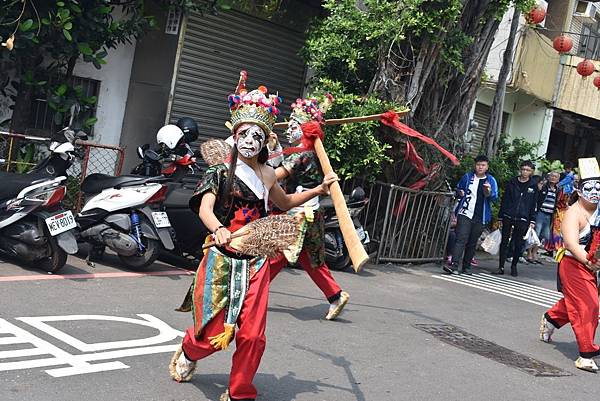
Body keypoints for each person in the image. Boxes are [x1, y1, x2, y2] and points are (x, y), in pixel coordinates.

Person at [168, 72, 338, 401]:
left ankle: (240, 393)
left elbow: (284, 203)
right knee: (212, 333)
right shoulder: (220, 171)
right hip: (222, 257)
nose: (249, 141)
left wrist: (319, 189)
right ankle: (190, 351)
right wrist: (217, 228)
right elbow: (205, 208)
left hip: (256, 261)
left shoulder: (267, 173)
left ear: (264, 141)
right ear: (236, 135)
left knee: (253, 335)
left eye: (256, 136)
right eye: (244, 135)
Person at [268, 94, 350, 321]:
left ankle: (250, 292)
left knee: (276, 254)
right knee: (309, 259)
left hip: (299, 214)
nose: (288, 129)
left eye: (293, 125)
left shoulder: (302, 155)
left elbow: (274, 176)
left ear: (304, 129)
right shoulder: (303, 153)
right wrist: (273, 148)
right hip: (307, 212)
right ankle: (335, 295)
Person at [540, 158, 600, 372]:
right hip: (574, 265)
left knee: (575, 302)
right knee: (589, 305)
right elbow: (572, 243)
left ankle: (551, 319)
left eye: (598, 186)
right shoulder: (573, 213)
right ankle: (586, 353)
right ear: (579, 189)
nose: (594, 191)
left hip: (595, 267)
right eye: (589, 187)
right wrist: (589, 261)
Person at [443, 155, 498, 275]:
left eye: (483, 165)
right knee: (461, 238)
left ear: (487, 166)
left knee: (472, 242)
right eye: (478, 165)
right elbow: (458, 189)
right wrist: (459, 192)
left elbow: (494, 197)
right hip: (465, 212)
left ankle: (466, 267)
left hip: (481, 215)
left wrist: (488, 191)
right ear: (475, 165)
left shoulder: (490, 180)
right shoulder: (467, 177)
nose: (480, 167)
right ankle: (454, 265)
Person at [493, 160, 538, 277]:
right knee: (504, 241)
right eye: (523, 169)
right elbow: (505, 199)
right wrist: (500, 216)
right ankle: (501, 266)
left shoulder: (533, 185)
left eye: (528, 170)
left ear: (531, 172)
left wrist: (532, 220)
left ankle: (514, 265)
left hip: (523, 218)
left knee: (518, 243)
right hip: (508, 214)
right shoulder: (512, 182)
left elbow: (534, 204)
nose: (525, 172)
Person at [527, 171, 560, 263]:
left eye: (555, 177)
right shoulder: (544, 187)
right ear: (549, 177)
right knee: (535, 234)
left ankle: (535, 252)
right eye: (552, 176)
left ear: (558, 179)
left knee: (544, 235)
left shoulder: (558, 189)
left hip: (549, 214)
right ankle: (529, 253)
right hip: (541, 213)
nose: (553, 178)